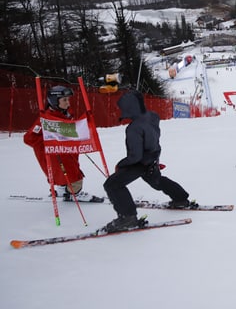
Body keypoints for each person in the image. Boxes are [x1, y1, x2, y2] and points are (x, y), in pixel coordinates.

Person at [102, 91, 191, 232]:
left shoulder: (133, 128)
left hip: (140, 162)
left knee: (112, 184)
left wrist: (121, 165)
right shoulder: (152, 116)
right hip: (152, 158)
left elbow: (135, 157)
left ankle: (127, 218)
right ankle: (180, 198)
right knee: (156, 181)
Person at [23, 85, 103, 202]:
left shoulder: (66, 114)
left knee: (68, 173)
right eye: (64, 100)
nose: (68, 103)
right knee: (73, 176)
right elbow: (29, 138)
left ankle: (62, 190)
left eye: (68, 99)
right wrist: (50, 142)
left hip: (68, 152)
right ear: (55, 101)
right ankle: (76, 193)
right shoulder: (46, 119)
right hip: (56, 156)